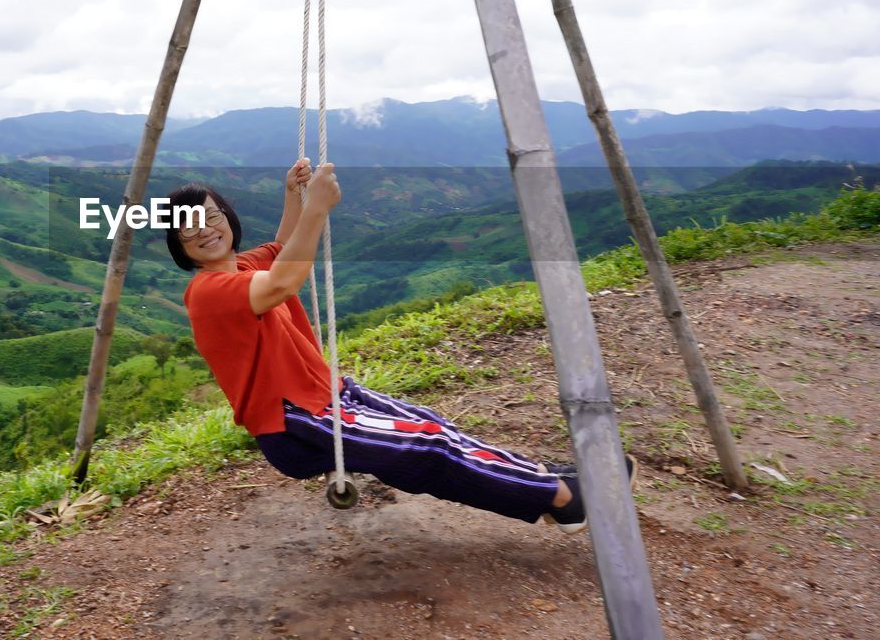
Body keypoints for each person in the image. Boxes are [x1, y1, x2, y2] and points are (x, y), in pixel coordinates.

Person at [165, 158, 633, 532]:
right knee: (426, 448)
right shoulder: (207, 293)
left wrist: (294, 196)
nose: (204, 229)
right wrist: (317, 209)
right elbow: (285, 279)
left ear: (227, 217)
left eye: (211, 216)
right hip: (294, 421)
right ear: (177, 243)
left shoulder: (241, 266)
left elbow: (285, 246)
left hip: (323, 393)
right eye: (189, 226)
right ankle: (562, 500)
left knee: (430, 423)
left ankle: (547, 479)